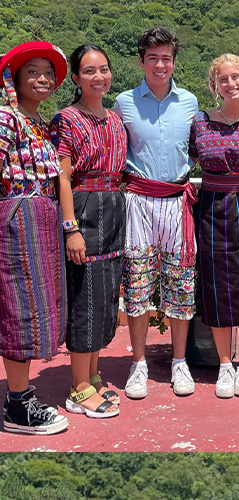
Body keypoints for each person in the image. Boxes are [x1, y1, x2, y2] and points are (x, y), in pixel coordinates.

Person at [114, 27, 198, 399]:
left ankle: (180, 363)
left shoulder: (190, 102)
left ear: (174, 61)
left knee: (181, 284)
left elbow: (199, 149)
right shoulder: (123, 102)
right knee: (137, 285)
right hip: (138, 201)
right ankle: (139, 363)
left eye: (166, 58)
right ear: (141, 61)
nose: (160, 64)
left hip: (177, 201)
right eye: (153, 58)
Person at [50, 45, 127, 418]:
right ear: (76, 78)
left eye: (104, 70)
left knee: (105, 296)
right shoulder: (66, 118)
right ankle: (77, 387)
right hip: (83, 208)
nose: (99, 77)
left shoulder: (114, 119)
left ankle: (93, 374)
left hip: (114, 207)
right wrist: (71, 229)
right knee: (85, 298)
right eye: (90, 71)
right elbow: (62, 177)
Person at [189, 54, 239, 398]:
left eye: (236, 77)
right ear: (214, 86)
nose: (230, 83)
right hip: (211, 209)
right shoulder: (200, 122)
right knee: (216, 286)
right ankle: (224, 364)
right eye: (223, 79)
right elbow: (185, 161)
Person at [0, 41, 69, 434]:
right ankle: (18, 405)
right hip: (16, 218)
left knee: (33, 306)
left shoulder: (38, 123)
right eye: (32, 72)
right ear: (14, 78)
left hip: (39, 217)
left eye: (47, 72)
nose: (42, 78)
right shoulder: (7, 119)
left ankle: (20, 395)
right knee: (19, 308)